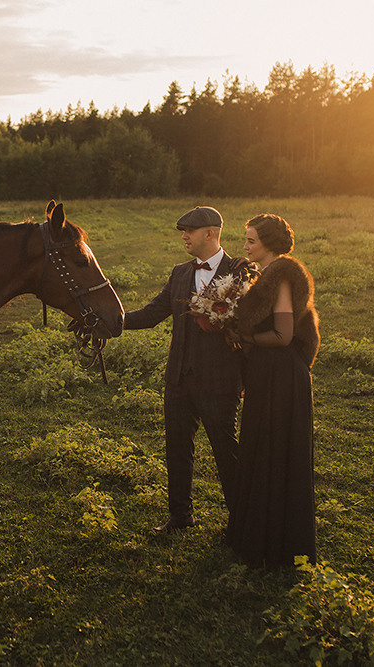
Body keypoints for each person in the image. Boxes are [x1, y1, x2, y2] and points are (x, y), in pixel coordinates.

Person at [123, 206, 251, 533]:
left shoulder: (239, 272)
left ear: (210, 233)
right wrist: (114, 322)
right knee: (177, 451)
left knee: (226, 452)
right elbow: (153, 313)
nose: (184, 237)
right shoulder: (180, 273)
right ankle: (180, 517)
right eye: (182, 231)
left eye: (189, 231)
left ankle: (243, 520)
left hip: (220, 383)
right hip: (178, 379)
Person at [226, 213, 320, 568]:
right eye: (246, 240)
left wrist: (245, 337)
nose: (245, 247)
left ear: (268, 243)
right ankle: (256, 534)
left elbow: (283, 336)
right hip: (267, 372)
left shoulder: (281, 275)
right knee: (260, 445)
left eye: (251, 241)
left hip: (281, 375)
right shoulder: (264, 274)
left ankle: (274, 543)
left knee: (274, 449)